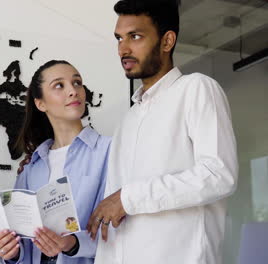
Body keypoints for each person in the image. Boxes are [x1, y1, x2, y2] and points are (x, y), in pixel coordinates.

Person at [87, 1, 238, 264]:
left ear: (167, 41)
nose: (123, 49)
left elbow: (218, 175)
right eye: (119, 38)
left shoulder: (197, 89)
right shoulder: (129, 118)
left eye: (135, 36)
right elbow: (115, 215)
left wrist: (128, 198)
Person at [0, 60, 111, 264]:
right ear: (40, 103)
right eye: (59, 85)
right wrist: (10, 252)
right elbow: (22, 243)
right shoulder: (31, 167)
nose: (73, 91)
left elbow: (123, 230)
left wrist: (72, 244)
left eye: (77, 83)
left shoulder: (109, 151)